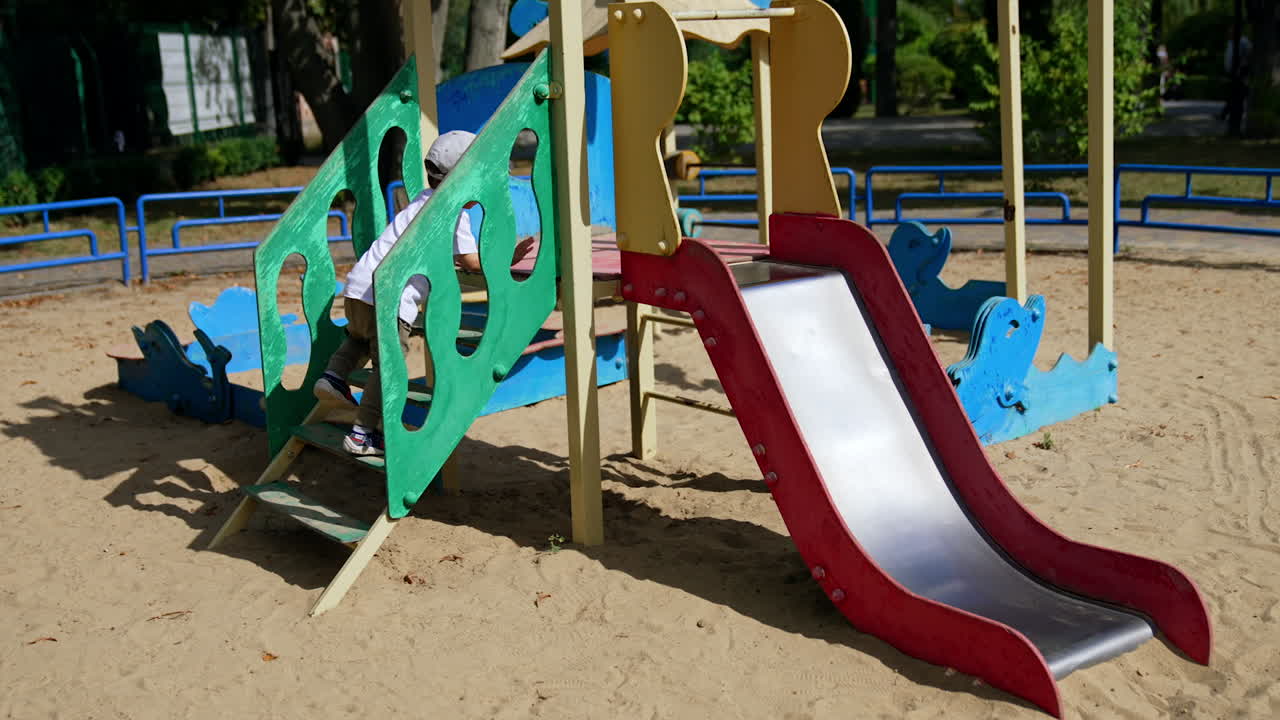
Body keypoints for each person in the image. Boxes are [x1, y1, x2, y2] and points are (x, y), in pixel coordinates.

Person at [311, 130, 535, 456]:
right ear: (462, 181)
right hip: (391, 297)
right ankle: (362, 435)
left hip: (358, 287)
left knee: (359, 338)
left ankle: (333, 376)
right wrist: (508, 258)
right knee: (390, 366)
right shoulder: (451, 212)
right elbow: (471, 262)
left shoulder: (420, 201)